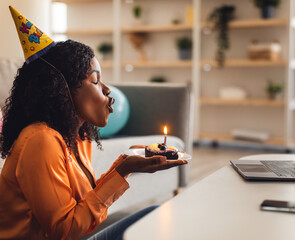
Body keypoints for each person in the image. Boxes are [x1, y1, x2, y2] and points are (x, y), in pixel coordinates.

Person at [0, 6, 188, 239]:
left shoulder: (79, 137)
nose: (108, 89)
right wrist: (123, 170)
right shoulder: (41, 140)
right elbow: (65, 230)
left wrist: (125, 167)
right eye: (95, 80)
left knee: (155, 214)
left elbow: (83, 205)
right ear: (63, 89)